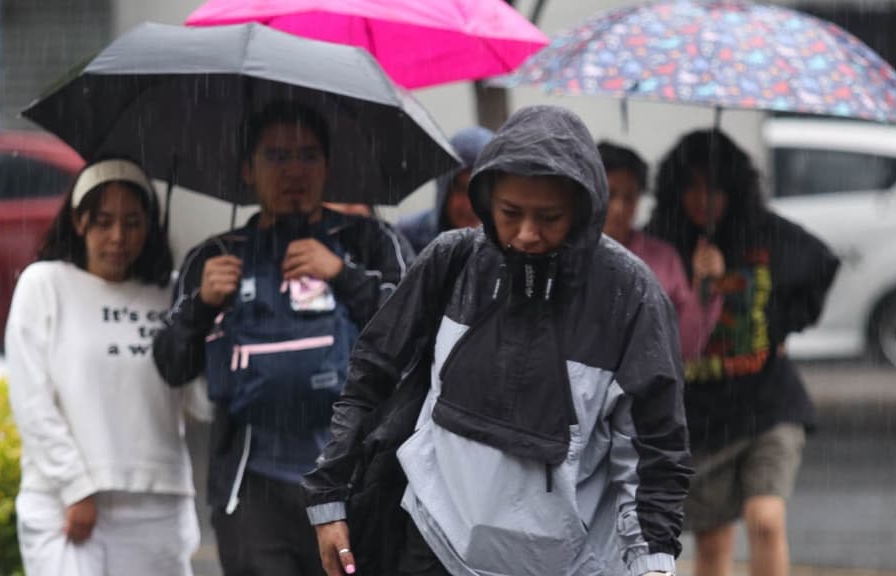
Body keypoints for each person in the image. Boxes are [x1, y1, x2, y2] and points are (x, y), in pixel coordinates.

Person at [305, 105, 692, 576]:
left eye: (549, 217)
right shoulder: (452, 261)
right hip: (432, 546)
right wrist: (329, 499)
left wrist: (653, 563)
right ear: (487, 202)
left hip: (571, 566)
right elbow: (371, 374)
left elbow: (654, 450)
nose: (526, 234)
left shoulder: (629, 295)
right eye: (510, 213)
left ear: (582, 210)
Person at [153, 101, 412, 576]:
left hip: (355, 484)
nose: (294, 170)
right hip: (252, 493)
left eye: (308, 155)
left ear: (328, 166)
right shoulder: (215, 257)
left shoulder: (371, 241)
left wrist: (343, 274)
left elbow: (412, 335)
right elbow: (171, 364)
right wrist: (203, 304)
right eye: (275, 156)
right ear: (247, 169)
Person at [645, 130, 840, 576]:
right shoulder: (662, 243)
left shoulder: (764, 233)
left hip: (768, 404)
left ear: (733, 187)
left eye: (714, 186)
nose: (703, 199)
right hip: (701, 417)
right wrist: (696, 283)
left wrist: (780, 325)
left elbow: (821, 265)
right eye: (692, 186)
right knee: (713, 542)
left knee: (765, 521)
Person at [6, 158, 199, 575]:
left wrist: (206, 317)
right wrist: (75, 488)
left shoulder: (173, 294)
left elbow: (200, 403)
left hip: (159, 503)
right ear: (79, 221)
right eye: (103, 221)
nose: (118, 237)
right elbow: (31, 400)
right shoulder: (45, 285)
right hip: (66, 504)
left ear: (149, 227)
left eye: (132, 223)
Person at [598, 140, 723, 360]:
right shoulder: (571, 253)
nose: (619, 208)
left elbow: (686, 346)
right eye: (610, 194)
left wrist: (705, 288)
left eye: (629, 197)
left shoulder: (664, 258)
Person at [397, 126, 494, 253]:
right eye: (460, 189)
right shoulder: (406, 238)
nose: (470, 205)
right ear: (444, 191)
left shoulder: (513, 247)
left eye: (480, 191)